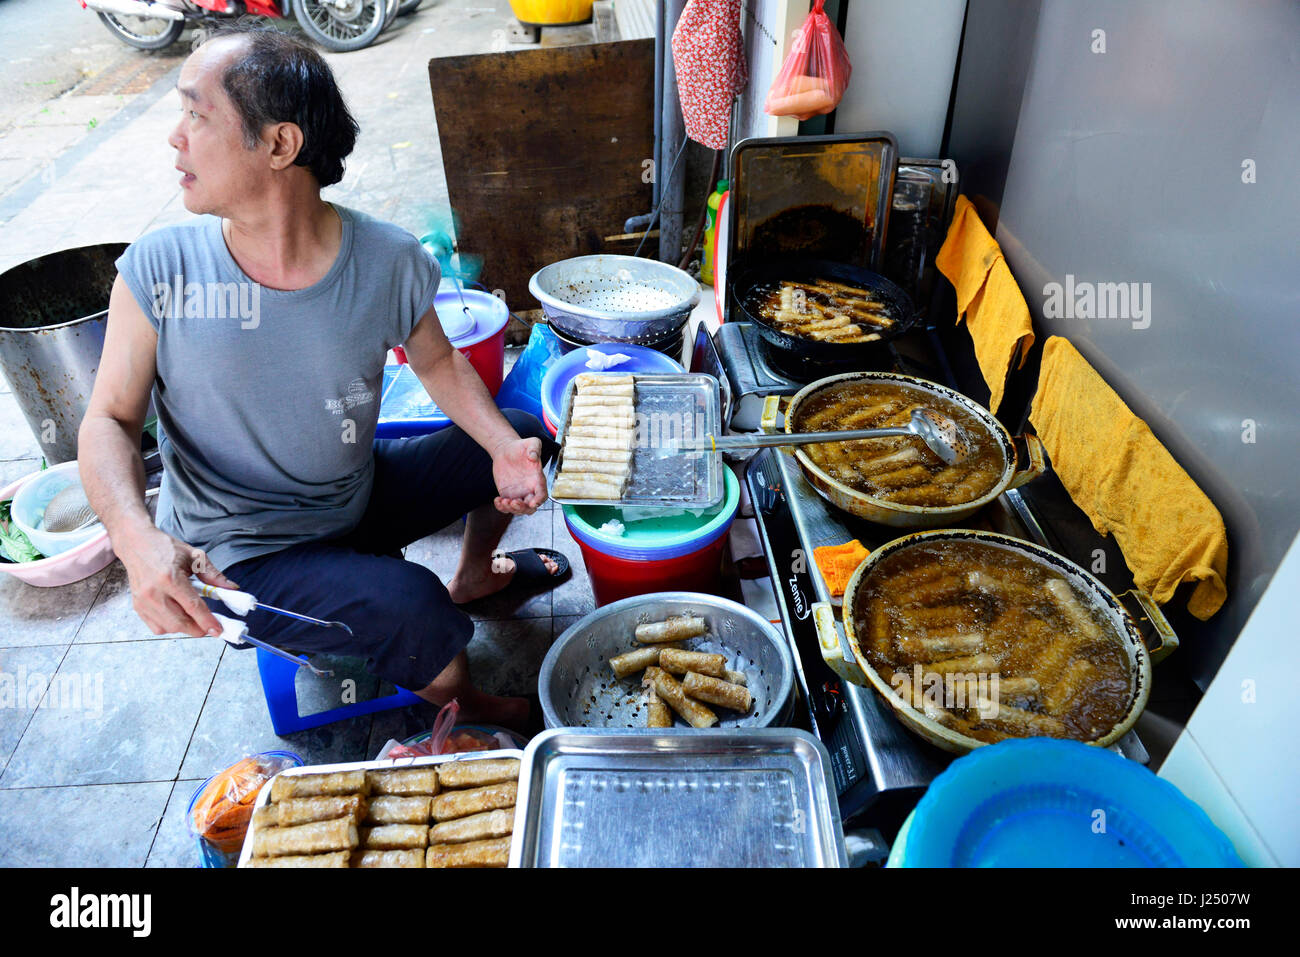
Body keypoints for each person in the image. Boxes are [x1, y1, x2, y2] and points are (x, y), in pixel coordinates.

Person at [78, 23, 563, 732]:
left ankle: (476, 576)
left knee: (519, 433)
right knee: (413, 607)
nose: (175, 138)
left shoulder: (387, 259)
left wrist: (498, 446)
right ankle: (471, 706)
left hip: (350, 493)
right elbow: (108, 420)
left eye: (196, 113)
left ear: (279, 144)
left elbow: (434, 359)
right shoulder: (160, 269)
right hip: (242, 553)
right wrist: (132, 534)